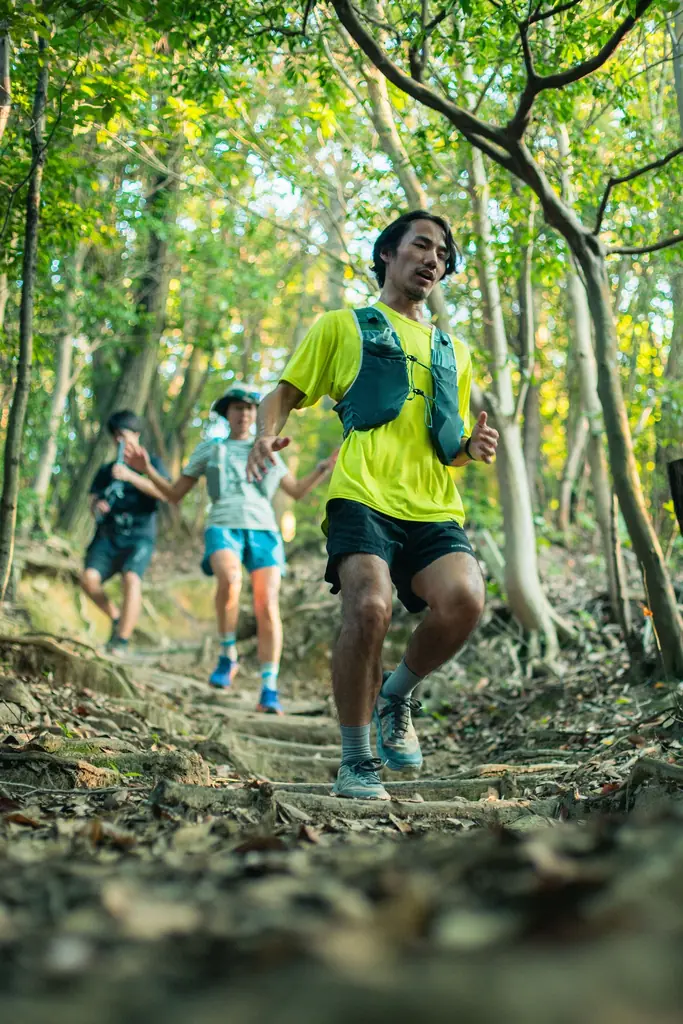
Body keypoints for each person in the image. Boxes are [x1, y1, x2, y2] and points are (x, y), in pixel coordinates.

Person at [247, 211, 499, 799]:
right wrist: (265, 434)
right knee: (369, 607)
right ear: (388, 253)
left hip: (433, 506)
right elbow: (282, 394)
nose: (434, 259)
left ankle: (395, 695)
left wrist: (470, 448)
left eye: (443, 254)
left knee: (464, 599)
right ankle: (357, 760)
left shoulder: (451, 351)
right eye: (422, 245)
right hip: (362, 496)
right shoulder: (344, 326)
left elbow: (448, 447)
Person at [125, 386, 336, 714]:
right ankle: (228, 654)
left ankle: (268, 687)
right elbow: (173, 493)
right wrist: (146, 468)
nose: (245, 414)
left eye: (251, 408)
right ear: (227, 413)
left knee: (267, 605)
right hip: (223, 522)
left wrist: (323, 468)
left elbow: (295, 491)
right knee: (230, 578)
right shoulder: (211, 449)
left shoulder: (267, 449)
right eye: (238, 408)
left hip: (264, 530)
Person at [81, 410, 169, 656]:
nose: (121, 441)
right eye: (117, 436)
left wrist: (132, 476)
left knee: (131, 578)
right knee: (88, 579)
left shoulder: (153, 464)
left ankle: (121, 640)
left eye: (125, 435)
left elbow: (165, 493)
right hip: (108, 535)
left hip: (140, 536)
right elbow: (92, 501)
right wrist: (97, 506)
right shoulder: (106, 470)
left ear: (137, 435)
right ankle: (117, 617)